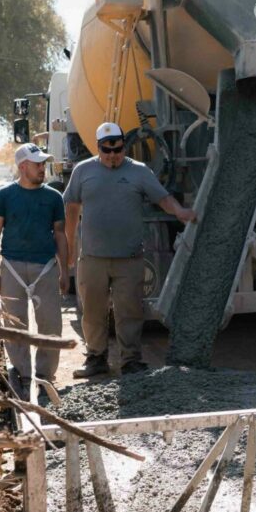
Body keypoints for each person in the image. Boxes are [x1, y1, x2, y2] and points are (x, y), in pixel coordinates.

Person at [64, 122, 197, 377]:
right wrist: (70, 247)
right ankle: (96, 358)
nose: (113, 156)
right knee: (93, 311)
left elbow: (162, 198)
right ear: (98, 147)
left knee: (130, 311)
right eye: (107, 150)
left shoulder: (139, 171)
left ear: (124, 145)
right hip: (93, 257)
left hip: (129, 258)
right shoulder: (83, 171)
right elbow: (71, 209)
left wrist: (179, 211)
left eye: (118, 150)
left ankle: (131, 360)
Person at [0, 143, 69, 399]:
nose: (42, 168)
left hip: (45, 268)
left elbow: (60, 234)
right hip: (12, 268)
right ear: (23, 167)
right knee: (15, 325)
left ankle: (45, 378)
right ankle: (22, 375)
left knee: (51, 326)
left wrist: (65, 270)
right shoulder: (3, 196)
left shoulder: (53, 198)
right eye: (37, 164)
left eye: (43, 164)